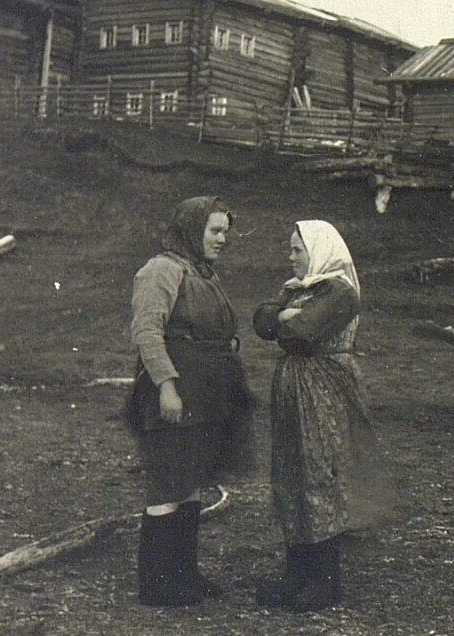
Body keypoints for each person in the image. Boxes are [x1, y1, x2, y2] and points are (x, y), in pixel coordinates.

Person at [252, 220, 391, 612]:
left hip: (326, 386)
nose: (291, 256)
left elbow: (301, 332)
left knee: (320, 472)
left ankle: (325, 580)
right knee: (291, 471)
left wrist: (286, 316)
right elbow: (261, 320)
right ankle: (297, 573)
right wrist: (285, 313)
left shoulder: (340, 291)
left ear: (320, 250)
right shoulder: (301, 288)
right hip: (296, 385)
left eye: (298, 249)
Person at [124, 196, 253, 607]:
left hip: (204, 393)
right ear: (191, 229)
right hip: (174, 393)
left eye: (225, 232)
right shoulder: (161, 269)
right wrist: (166, 385)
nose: (222, 239)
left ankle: (184, 574)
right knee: (168, 481)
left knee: (192, 479)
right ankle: (158, 583)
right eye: (214, 230)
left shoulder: (203, 273)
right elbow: (147, 331)